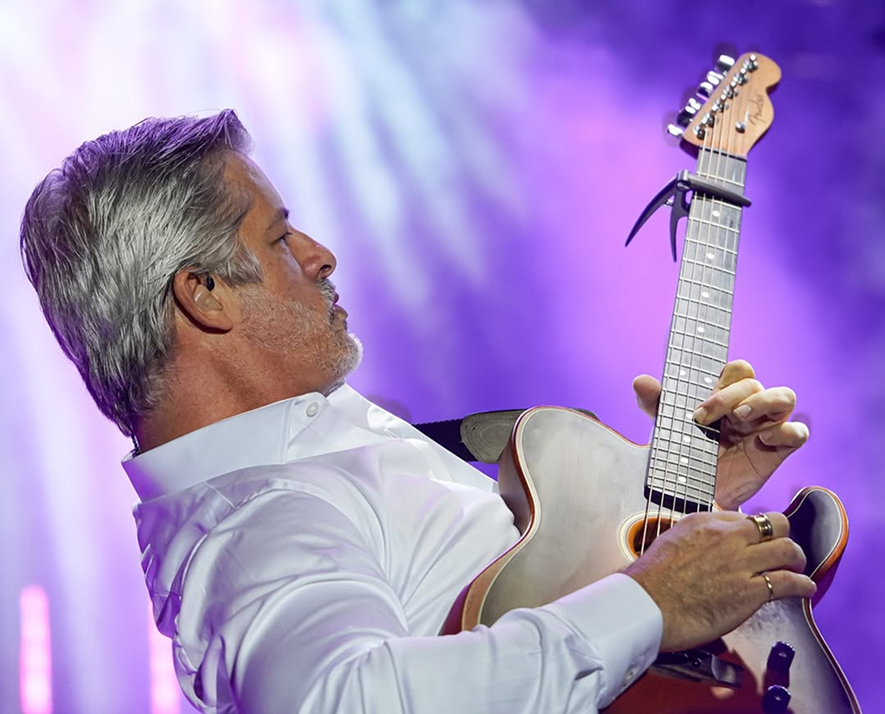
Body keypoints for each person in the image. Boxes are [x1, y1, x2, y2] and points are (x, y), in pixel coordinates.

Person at [20, 110, 814, 713]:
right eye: (280, 237)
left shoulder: (312, 455)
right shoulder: (259, 518)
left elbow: (524, 617)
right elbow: (338, 700)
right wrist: (650, 600)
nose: (320, 256)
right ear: (205, 294)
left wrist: (678, 504)